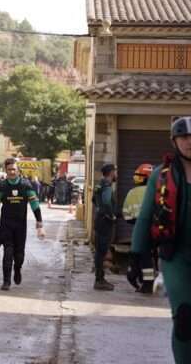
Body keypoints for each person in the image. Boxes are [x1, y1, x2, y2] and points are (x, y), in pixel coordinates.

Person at [131, 117, 191, 363]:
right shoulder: (161, 175)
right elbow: (145, 217)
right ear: (174, 141)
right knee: (185, 317)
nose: (189, 142)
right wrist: (136, 256)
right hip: (176, 255)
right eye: (184, 137)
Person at [0, 158, 44, 291]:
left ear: (18, 170)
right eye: (9, 169)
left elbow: (34, 204)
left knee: (19, 255)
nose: (12, 172)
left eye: (14, 169)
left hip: (20, 226)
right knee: (7, 253)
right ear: (5, 171)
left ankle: (17, 269)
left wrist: (39, 220)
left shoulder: (26, 185)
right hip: (6, 225)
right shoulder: (1, 186)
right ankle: (6, 281)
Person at [123, 163, 156, 294]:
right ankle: (146, 280)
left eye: (139, 177)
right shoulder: (157, 191)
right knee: (149, 255)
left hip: (139, 227)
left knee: (141, 255)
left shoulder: (132, 193)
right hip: (156, 228)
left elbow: (127, 216)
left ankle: (145, 282)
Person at [92, 163, 118, 291]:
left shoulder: (99, 184)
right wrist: (111, 215)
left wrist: (99, 210)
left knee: (99, 251)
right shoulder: (107, 185)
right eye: (115, 171)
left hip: (99, 220)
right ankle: (99, 280)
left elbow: (93, 200)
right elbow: (107, 201)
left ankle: (100, 278)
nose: (116, 174)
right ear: (111, 172)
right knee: (101, 252)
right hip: (105, 222)